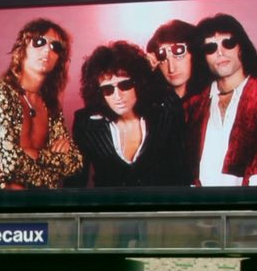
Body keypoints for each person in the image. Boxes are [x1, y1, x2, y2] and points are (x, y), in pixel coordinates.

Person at [184, 13, 257, 185]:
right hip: (203, 210)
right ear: (203, 56)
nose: (220, 52)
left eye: (228, 43)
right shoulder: (192, 107)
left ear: (241, 47)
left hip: (255, 209)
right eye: (210, 47)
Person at [0, 18, 83, 189]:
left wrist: (29, 154)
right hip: (1, 209)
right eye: (39, 42)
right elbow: (9, 163)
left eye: (56, 47)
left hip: (44, 210)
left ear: (59, 59)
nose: (47, 50)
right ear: (23, 47)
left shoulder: (50, 104)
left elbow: (74, 162)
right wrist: (51, 163)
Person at [71, 41, 187, 188]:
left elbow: (181, 173)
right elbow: (75, 184)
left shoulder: (164, 113)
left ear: (139, 83)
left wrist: (152, 72)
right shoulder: (86, 124)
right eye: (108, 90)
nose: (118, 96)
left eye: (125, 85)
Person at [146, 20, 208, 101]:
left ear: (194, 54)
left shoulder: (209, 98)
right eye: (164, 60)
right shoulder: (153, 101)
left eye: (178, 57)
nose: (171, 69)